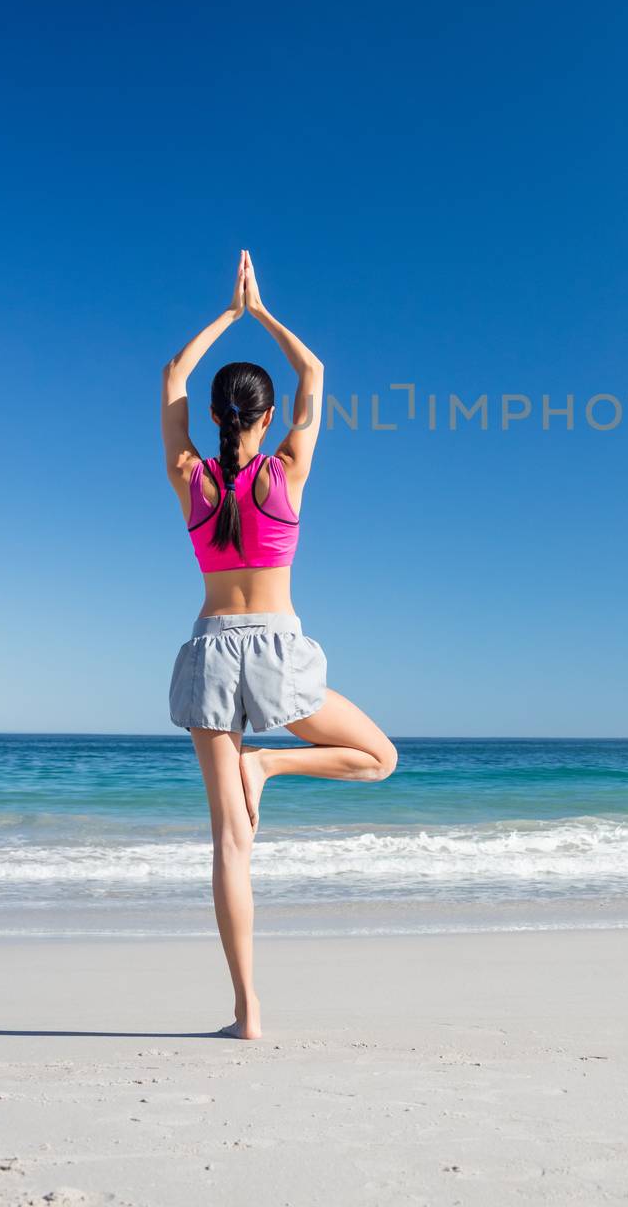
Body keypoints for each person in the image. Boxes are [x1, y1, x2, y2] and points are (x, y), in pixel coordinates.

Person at [161, 250, 397, 1039]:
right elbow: (314, 370)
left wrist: (223, 317)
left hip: (209, 650)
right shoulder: (288, 469)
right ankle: (275, 761)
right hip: (276, 652)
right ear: (263, 419)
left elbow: (171, 377)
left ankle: (247, 1012)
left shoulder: (191, 474)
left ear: (219, 417)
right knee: (378, 759)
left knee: (230, 845)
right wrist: (258, 312)